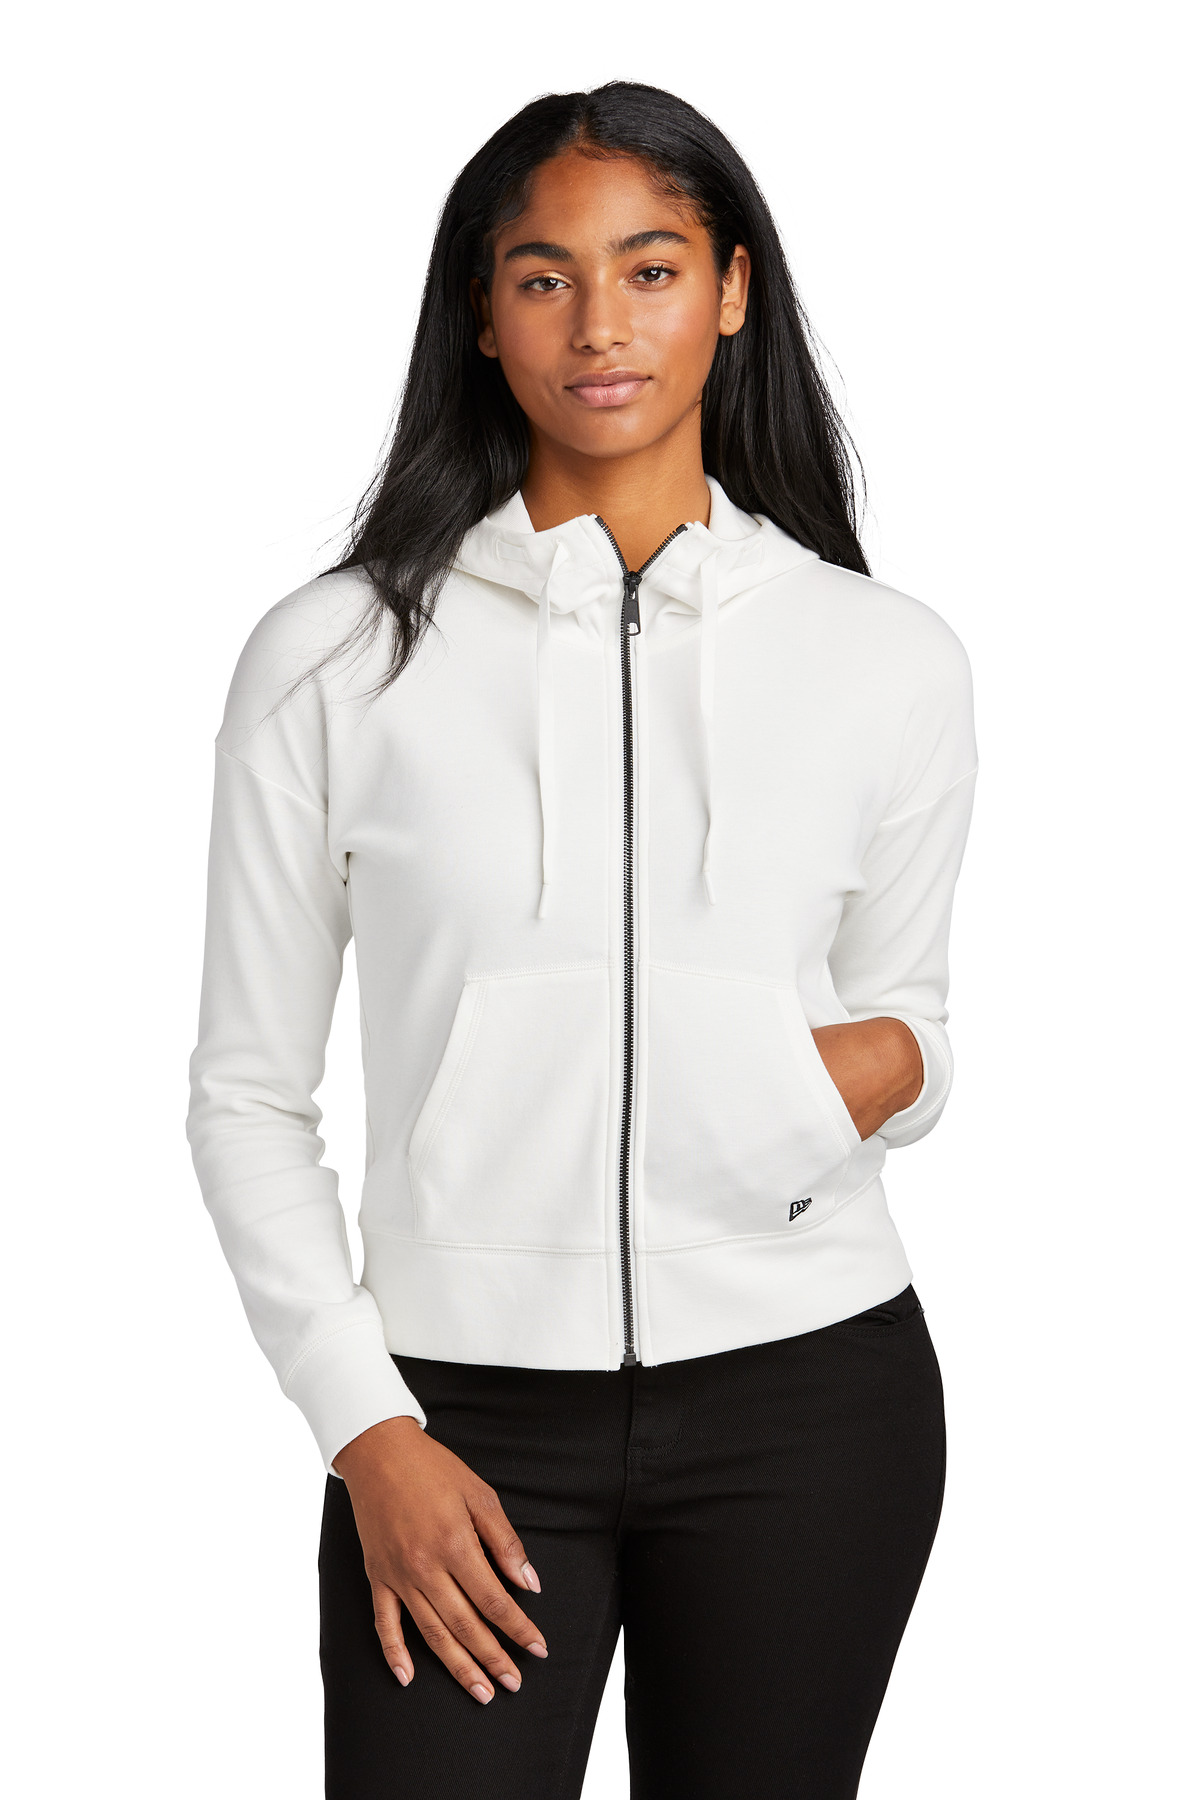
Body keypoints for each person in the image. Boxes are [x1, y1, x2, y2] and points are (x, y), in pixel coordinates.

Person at [187, 79, 977, 1800]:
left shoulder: (886, 657)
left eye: (651, 268)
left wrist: (852, 1072)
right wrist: (368, 1430)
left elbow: (905, 1025)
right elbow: (246, 1096)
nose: (599, 325)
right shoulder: (332, 660)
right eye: (544, 277)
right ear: (482, 314)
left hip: (809, 1407)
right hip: (459, 1420)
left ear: (735, 289)